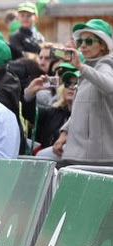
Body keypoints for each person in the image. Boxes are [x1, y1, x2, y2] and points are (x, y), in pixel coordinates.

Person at [54, 19, 113, 164]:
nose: (83, 46)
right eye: (80, 42)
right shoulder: (87, 67)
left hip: (97, 157)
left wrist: (81, 67)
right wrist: (64, 133)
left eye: (89, 41)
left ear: (102, 45)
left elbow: (109, 86)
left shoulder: (105, 63)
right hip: (78, 154)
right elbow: (82, 109)